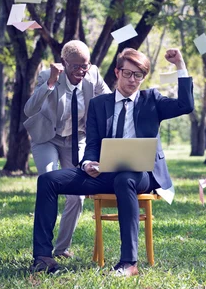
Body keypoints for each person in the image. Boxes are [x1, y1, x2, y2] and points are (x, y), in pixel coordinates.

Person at [30, 47, 194, 277]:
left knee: (125, 178)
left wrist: (180, 65)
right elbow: (93, 142)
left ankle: (128, 264)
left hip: (140, 175)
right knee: (48, 180)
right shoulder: (99, 104)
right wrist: (88, 163)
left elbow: (186, 105)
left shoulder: (152, 100)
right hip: (104, 174)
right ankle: (43, 258)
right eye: (127, 73)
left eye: (138, 75)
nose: (132, 80)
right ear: (117, 72)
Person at [24, 40, 111, 258]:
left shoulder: (93, 75)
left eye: (85, 65)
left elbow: (111, 102)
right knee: (50, 182)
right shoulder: (47, 76)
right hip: (48, 138)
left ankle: (61, 249)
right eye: (76, 66)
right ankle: (43, 250)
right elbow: (29, 109)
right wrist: (51, 83)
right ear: (64, 63)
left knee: (77, 196)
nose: (81, 71)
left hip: (76, 139)